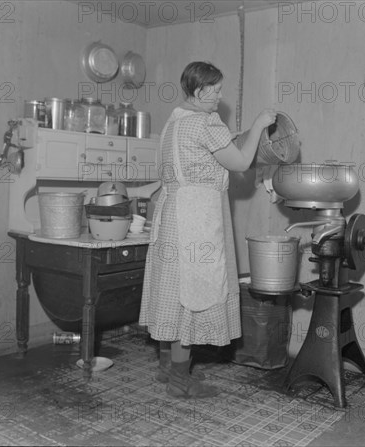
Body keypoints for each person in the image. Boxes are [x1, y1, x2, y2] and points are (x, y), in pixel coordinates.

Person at [138, 61, 277, 398]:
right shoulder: (205, 122)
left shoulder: (175, 120)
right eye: (214, 91)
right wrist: (259, 124)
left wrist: (240, 136)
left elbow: (211, 152)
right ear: (198, 92)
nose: (219, 96)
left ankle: (165, 369)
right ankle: (180, 383)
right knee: (193, 296)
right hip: (196, 219)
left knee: (172, 292)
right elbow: (242, 162)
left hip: (172, 214)